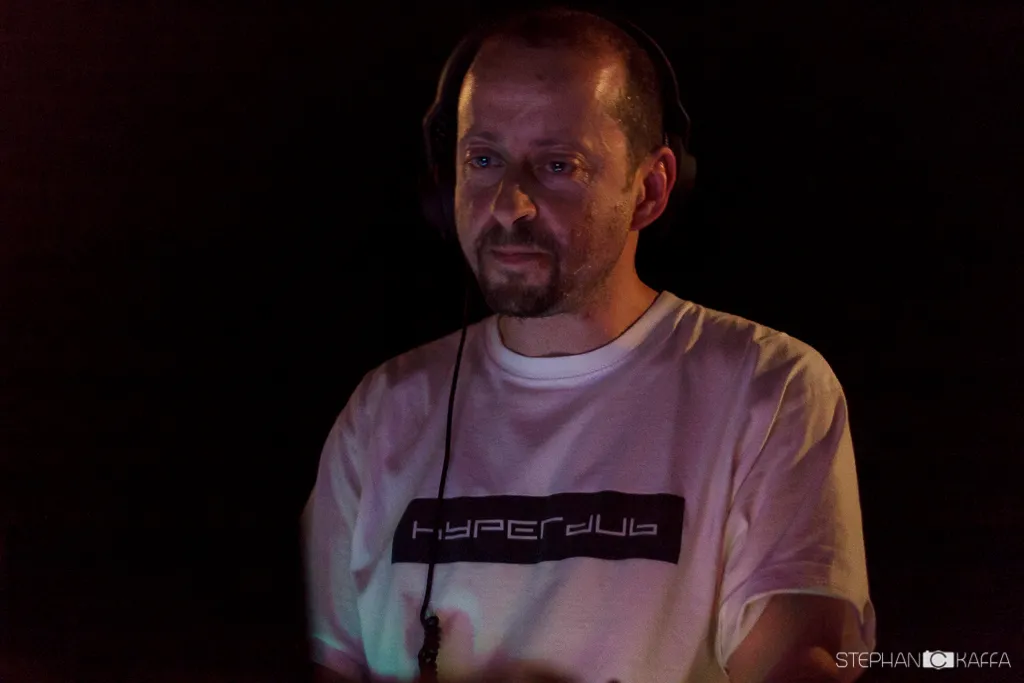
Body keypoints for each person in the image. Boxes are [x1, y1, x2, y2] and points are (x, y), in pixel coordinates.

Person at [303, 6, 875, 683]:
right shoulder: (383, 410)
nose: (509, 203)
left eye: (557, 165)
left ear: (651, 189)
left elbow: (795, 663)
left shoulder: (768, 386)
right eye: (483, 160)